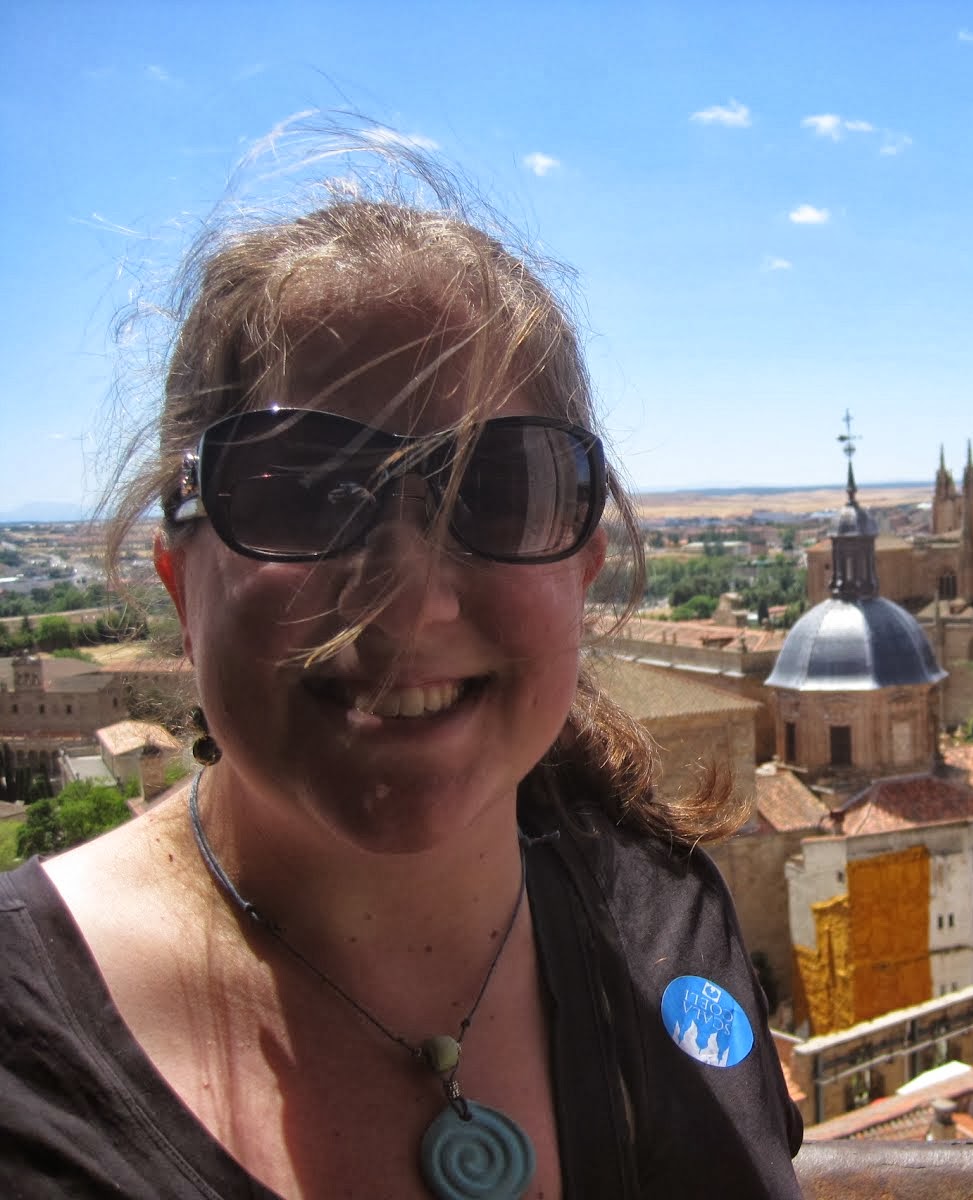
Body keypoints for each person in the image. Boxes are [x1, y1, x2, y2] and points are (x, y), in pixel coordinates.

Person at [0, 132, 802, 1198]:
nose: (410, 597)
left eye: (497, 485)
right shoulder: (24, 1048)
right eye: (303, 492)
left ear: (584, 564)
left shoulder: (673, 924)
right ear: (180, 580)